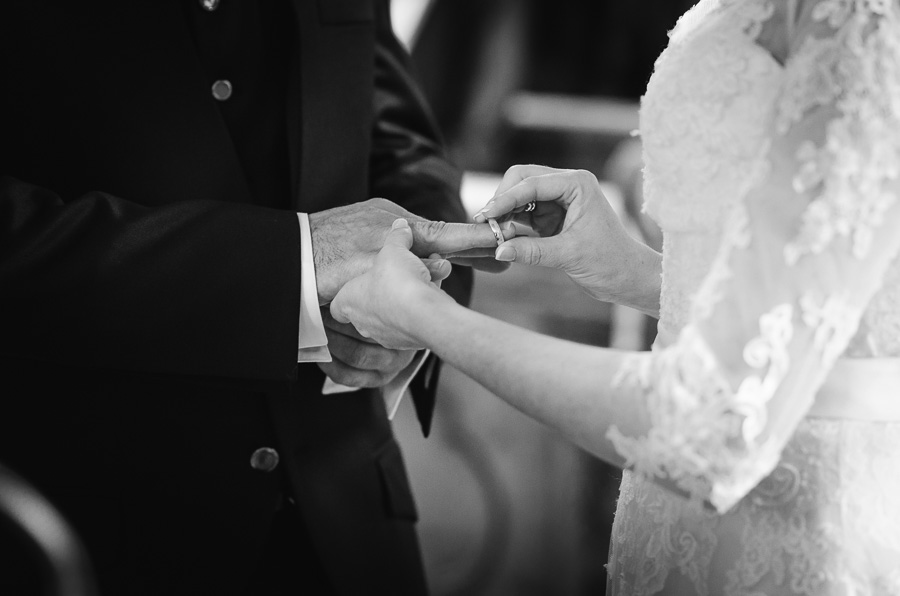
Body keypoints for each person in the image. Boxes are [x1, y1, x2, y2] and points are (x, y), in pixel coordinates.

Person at [330, 0, 900, 593]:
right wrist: (631, 270)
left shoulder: (857, 19)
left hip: (798, 529)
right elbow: (811, 320)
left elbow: (719, 422)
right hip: (676, 525)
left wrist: (425, 318)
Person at [0, 1, 501, 595]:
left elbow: (402, 143)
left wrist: (420, 293)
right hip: (82, 526)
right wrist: (290, 271)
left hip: (349, 528)